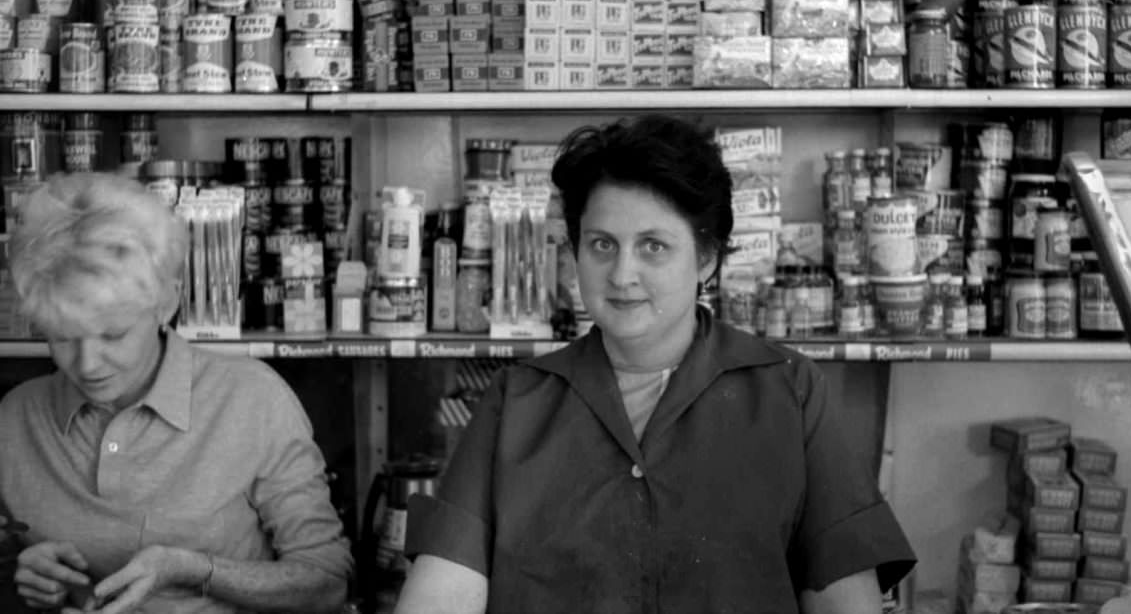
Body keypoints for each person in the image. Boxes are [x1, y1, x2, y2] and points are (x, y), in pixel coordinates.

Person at [396, 114, 916, 614]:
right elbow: (442, 594)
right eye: (602, 245)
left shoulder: (788, 391)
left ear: (707, 258)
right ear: (575, 251)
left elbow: (842, 600)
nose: (623, 274)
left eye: (653, 246)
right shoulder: (517, 402)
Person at [0, 172, 352, 613]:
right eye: (63, 336)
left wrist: (196, 570)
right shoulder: (14, 418)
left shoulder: (252, 400)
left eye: (114, 333)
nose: (87, 364)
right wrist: (22, 575)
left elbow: (326, 584)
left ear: (167, 301)